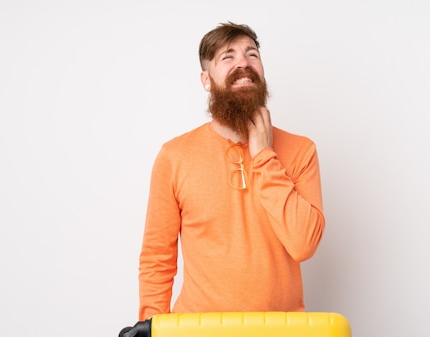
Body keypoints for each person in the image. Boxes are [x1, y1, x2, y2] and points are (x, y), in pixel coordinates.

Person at [137, 22, 325, 321]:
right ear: (206, 79)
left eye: (252, 54)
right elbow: (157, 256)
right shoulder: (174, 156)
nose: (243, 63)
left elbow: (303, 244)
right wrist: (151, 327)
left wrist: (264, 155)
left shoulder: (301, 150)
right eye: (228, 56)